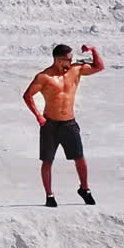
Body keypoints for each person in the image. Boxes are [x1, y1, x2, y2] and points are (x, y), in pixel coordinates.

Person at [22, 43, 104, 207]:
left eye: (71, 59)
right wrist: (38, 116)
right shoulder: (44, 77)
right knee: (47, 161)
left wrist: (93, 50)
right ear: (58, 60)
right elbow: (27, 95)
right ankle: (49, 195)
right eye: (68, 59)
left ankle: (84, 189)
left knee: (80, 159)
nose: (71, 62)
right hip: (50, 125)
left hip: (69, 124)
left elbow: (99, 67)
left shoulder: (75, 70)